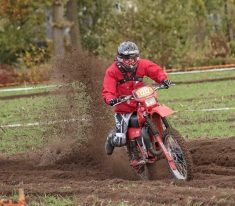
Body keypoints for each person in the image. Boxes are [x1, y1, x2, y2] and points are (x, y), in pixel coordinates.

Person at [102, 41, 171, 168]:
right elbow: (107, 90)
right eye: (127, 59)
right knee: (120, 139)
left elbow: (154, 70)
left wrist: (163, 79)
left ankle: (167, 139)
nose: (131, 61)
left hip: (142, 102)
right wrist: (111, 99)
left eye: (134, 58)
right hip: (123, 107)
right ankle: (117, 142)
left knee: (153, 111)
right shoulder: (112, 71)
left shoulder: (142, 64)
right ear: (120, 58)